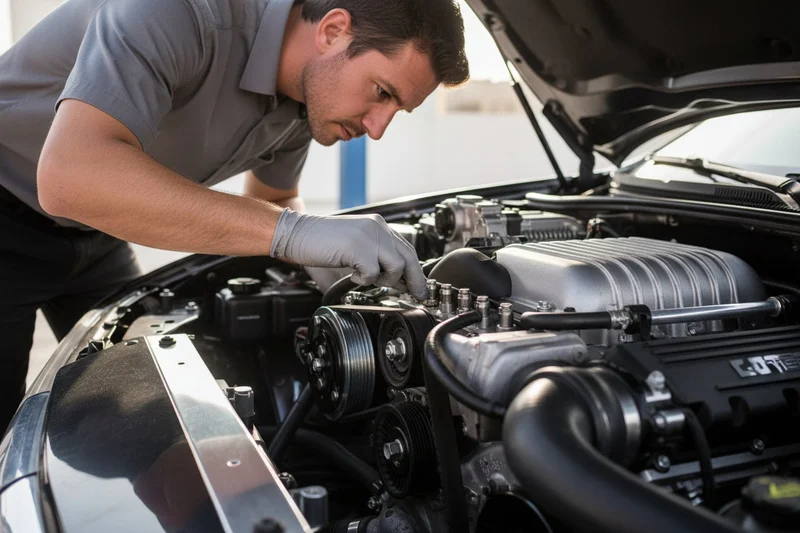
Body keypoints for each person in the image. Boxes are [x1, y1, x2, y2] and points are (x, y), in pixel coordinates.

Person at [0, 0, 469, 431]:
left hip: (96, 235)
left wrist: (334, 272)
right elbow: (71, 175)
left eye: (398, 110)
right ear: (333, 30)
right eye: (382, 92)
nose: (378, 128)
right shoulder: (180, 14)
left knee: (129, 418)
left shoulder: (306, 102)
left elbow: (278, 199)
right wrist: (296, 233)